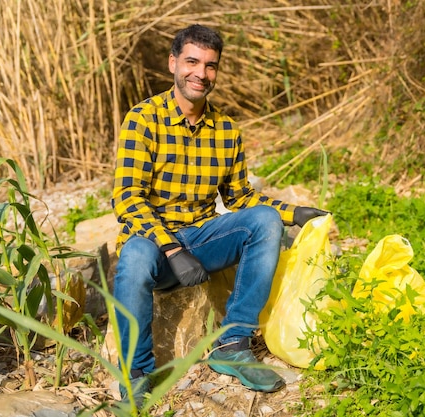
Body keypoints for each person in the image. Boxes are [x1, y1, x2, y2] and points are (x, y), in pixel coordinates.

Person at [111, 24, 328, 405]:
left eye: (210, 66)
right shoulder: (143, 119)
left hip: (201, 239)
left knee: (265, 221)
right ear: (173, 63)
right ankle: (138, 373)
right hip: (152, 243)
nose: (201, 73)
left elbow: (241, 198)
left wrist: (296, 213)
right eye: (192, 62)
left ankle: (233, 343)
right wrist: (172, 251)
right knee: (133, 257)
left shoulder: (226, 129)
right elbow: (127, 199)